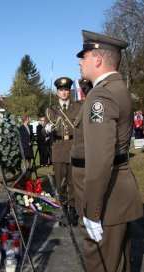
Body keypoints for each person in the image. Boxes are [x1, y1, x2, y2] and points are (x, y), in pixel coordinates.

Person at [71, 30, 143, 272]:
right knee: (117, 270)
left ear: (99, 59)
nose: (80, 62)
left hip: (105, 201)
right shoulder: (116, 89)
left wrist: (92, 211)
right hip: (116, 195)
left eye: (85, 56)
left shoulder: (101, 97)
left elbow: (99, 161)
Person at [45, 77, 81, 226]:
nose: (64, 92)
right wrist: (46, 129)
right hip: (59, 148)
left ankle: (73, 212)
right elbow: (45, 130)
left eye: (66, 90)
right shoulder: (51, 110)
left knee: (73, 182)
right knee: (60, 183)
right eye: (61, 90)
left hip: (74, 147)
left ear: (69, 91)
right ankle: (64, 210)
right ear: (57, 92)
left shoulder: (78, 107)